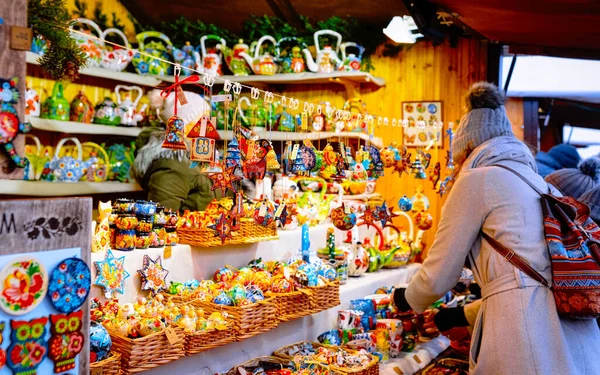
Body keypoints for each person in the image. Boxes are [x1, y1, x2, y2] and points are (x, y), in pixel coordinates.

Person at [393, 82, 600, 374]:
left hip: (526, 330)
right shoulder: (539, 184)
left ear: (467, 148)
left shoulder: (477, 180)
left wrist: (405, 297)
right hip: (578, 338)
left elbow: (439, 274)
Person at [133, 90, 222, 212]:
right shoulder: (172, 164)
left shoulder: (202, 157)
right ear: (183, 128)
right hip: (189, 231)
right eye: (201, 120)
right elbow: (163, 220)